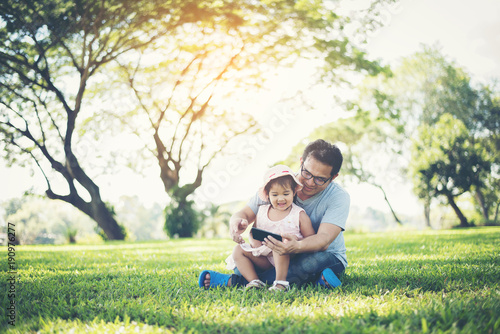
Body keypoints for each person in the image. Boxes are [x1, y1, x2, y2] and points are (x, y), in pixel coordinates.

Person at [199, 139, 349, 290]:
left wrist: (296, 246)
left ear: (333, 177)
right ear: (301, 162)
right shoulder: (279, 183)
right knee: (244, 261)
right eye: (307, 173)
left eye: (320, 179)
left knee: (308, 264)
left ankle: (236, 282)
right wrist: (236, 222)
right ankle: (319, 280)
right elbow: (244, 213)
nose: (310, 182)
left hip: (322, 255)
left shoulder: (338, 197)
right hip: (273, 256)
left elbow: (323, 240)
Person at [225, 165, 315, 291]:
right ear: (268, 195)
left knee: (280, 244)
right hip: (265, 257)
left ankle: (280, 283)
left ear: (294, 192)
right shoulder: (261, 211)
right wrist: (254, 241)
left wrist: (297, 243)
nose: (281, 198)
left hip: (287, 257)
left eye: (286, 193)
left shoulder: (299, 214)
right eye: (275, 194)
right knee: (238, 250)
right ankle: (254, 281)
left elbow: (311, 239)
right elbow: (254, 232)